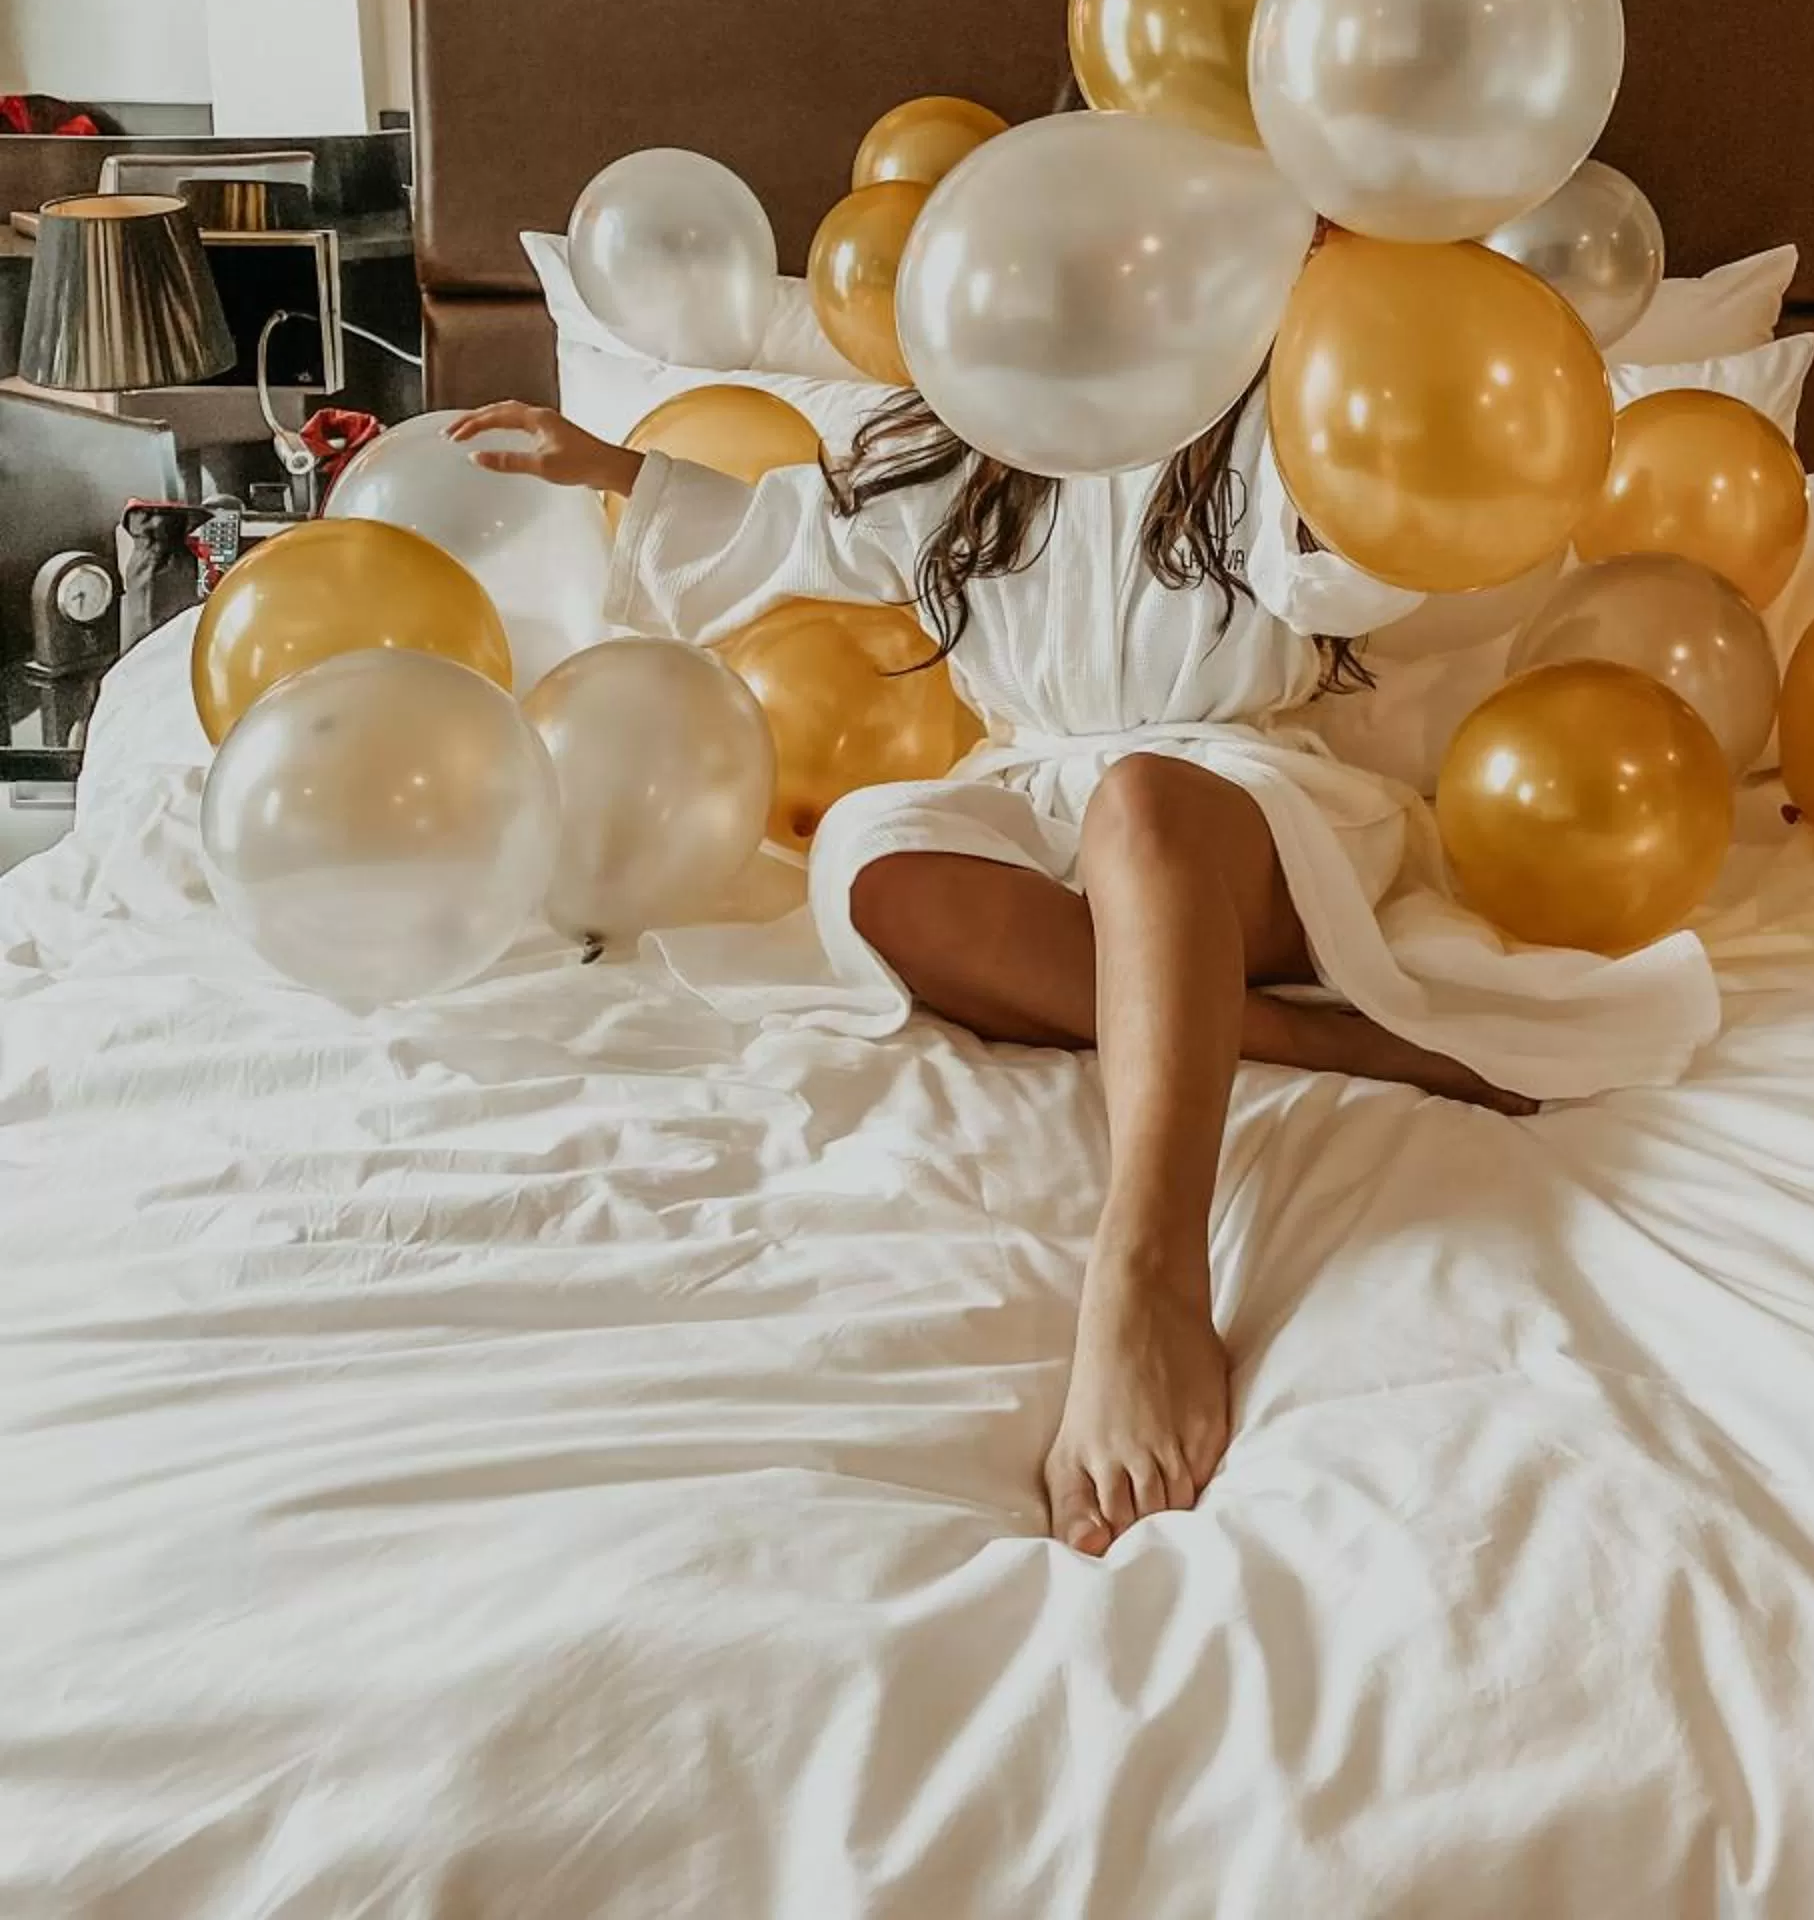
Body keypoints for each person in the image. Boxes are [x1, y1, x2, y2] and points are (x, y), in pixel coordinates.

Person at [451, 382, 1719, 1555]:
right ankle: (1337, 1042)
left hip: (1239, 801)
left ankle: (1148, 1275)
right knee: (869, 852)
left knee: (1142, 801)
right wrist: (611, 462)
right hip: (1040, 794)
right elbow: (801, 526)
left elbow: (1360, 575)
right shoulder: (978, 427)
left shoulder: (1293, 407)